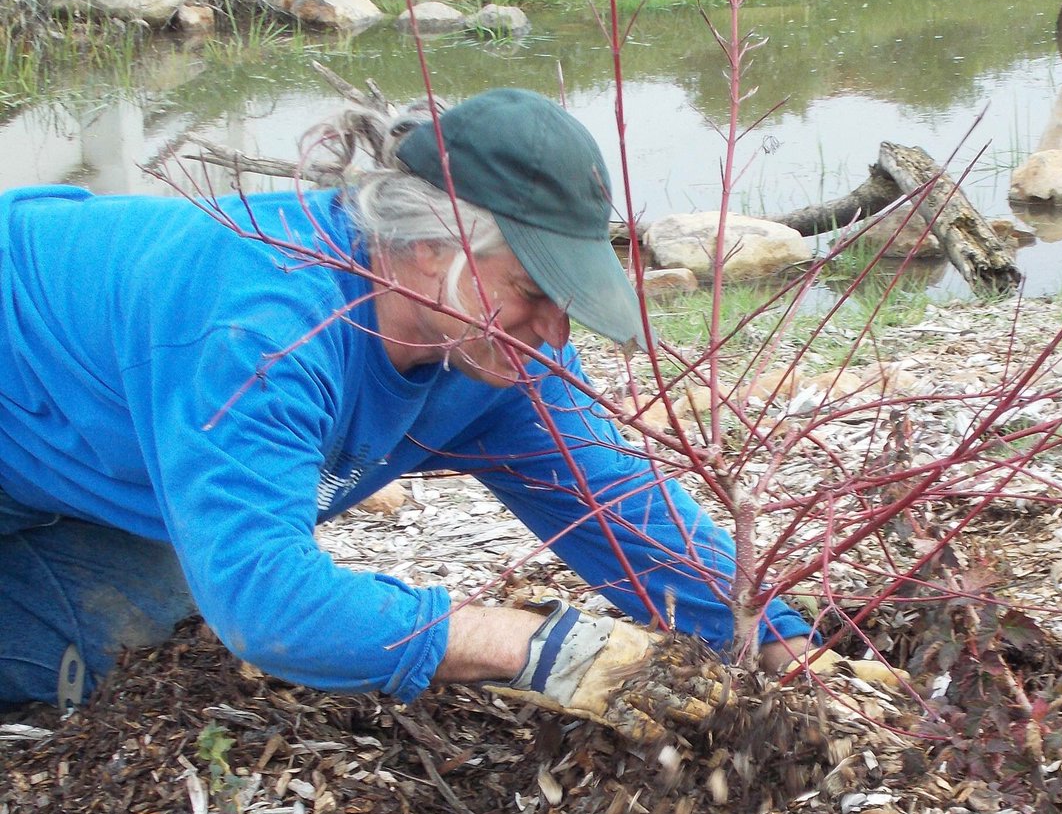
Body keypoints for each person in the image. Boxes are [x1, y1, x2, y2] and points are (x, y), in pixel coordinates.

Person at [0, 87, 815, 741]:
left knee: (121, 646)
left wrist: (781, 643)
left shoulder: (497, 355)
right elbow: (268, 602)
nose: (555, 334)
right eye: (533, 291)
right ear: (433, 244)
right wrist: (535, 646)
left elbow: (615, 505)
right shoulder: (267, 331)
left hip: (64, 464)